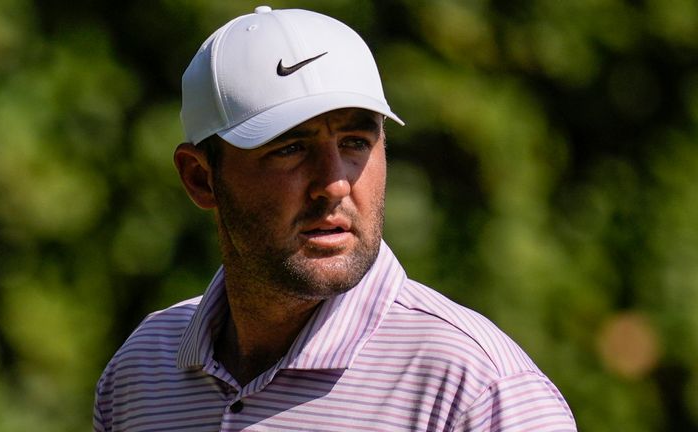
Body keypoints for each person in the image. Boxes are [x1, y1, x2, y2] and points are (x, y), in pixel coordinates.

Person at [93, 6, 577, 431]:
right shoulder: (141, 371)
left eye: (355, 143)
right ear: (200, 178)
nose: (334, 183)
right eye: (290, 148)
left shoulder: (477, 390)